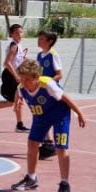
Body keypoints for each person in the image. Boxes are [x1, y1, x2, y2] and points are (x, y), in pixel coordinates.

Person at [9, 59, 87, 192]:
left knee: (61, 148)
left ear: (36, 78)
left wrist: (80, 113)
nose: (23, 82)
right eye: (21, 79)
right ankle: (31, 178)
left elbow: (66, 98)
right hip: (41, 116)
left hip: (59, 115)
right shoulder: (22, 86)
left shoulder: (48, 84)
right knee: (32, 144)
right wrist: (17, 101)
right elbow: (18, 91)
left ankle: (64, 184)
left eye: (27, 80)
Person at [35, 30, 66, 159]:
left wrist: (48, 81)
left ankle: (51, 144)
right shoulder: (39, 56)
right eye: (39, 38)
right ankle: (48, 144)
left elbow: (60, 74)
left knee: (47, 117)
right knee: (40, 115)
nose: (39, 40)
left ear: (49, 41)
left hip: (51, 91)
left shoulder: (53, 55)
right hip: (41, 91)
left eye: (42, 39)